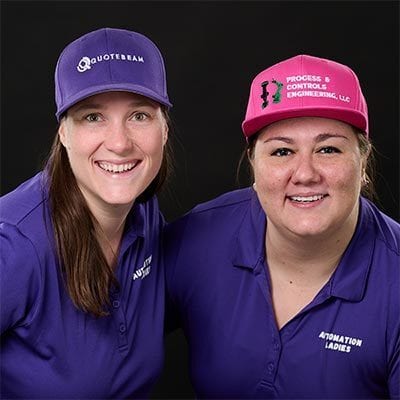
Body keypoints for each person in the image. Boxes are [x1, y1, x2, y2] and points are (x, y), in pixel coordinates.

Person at [165, 54, 400, 398]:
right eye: (281, 152)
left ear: (363, 161)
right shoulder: (198, 238)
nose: (305, 174)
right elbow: (106, 347)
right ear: (254, 164)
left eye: (328, 149)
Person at [1, 27, 172, 398]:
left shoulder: (144, 216)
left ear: (164, 129)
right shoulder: (14, 246)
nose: (119, 143)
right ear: (63, 132)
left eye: (139, 116)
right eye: (93, 117)